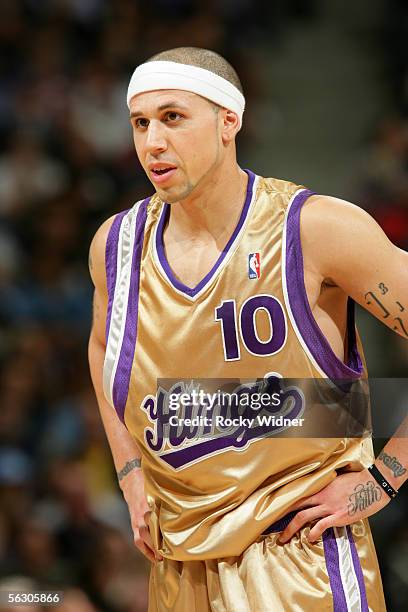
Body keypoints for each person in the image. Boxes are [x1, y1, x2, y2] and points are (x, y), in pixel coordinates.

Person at [88, 47, 408, 611]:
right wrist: (129, 471)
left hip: (297, 553)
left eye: (172, 117)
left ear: (229, 121)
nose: (152, 142)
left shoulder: (314, 228)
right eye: (140, 123)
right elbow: (102, 350)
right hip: (178, 561)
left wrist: (385, 478)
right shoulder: (115, 244)